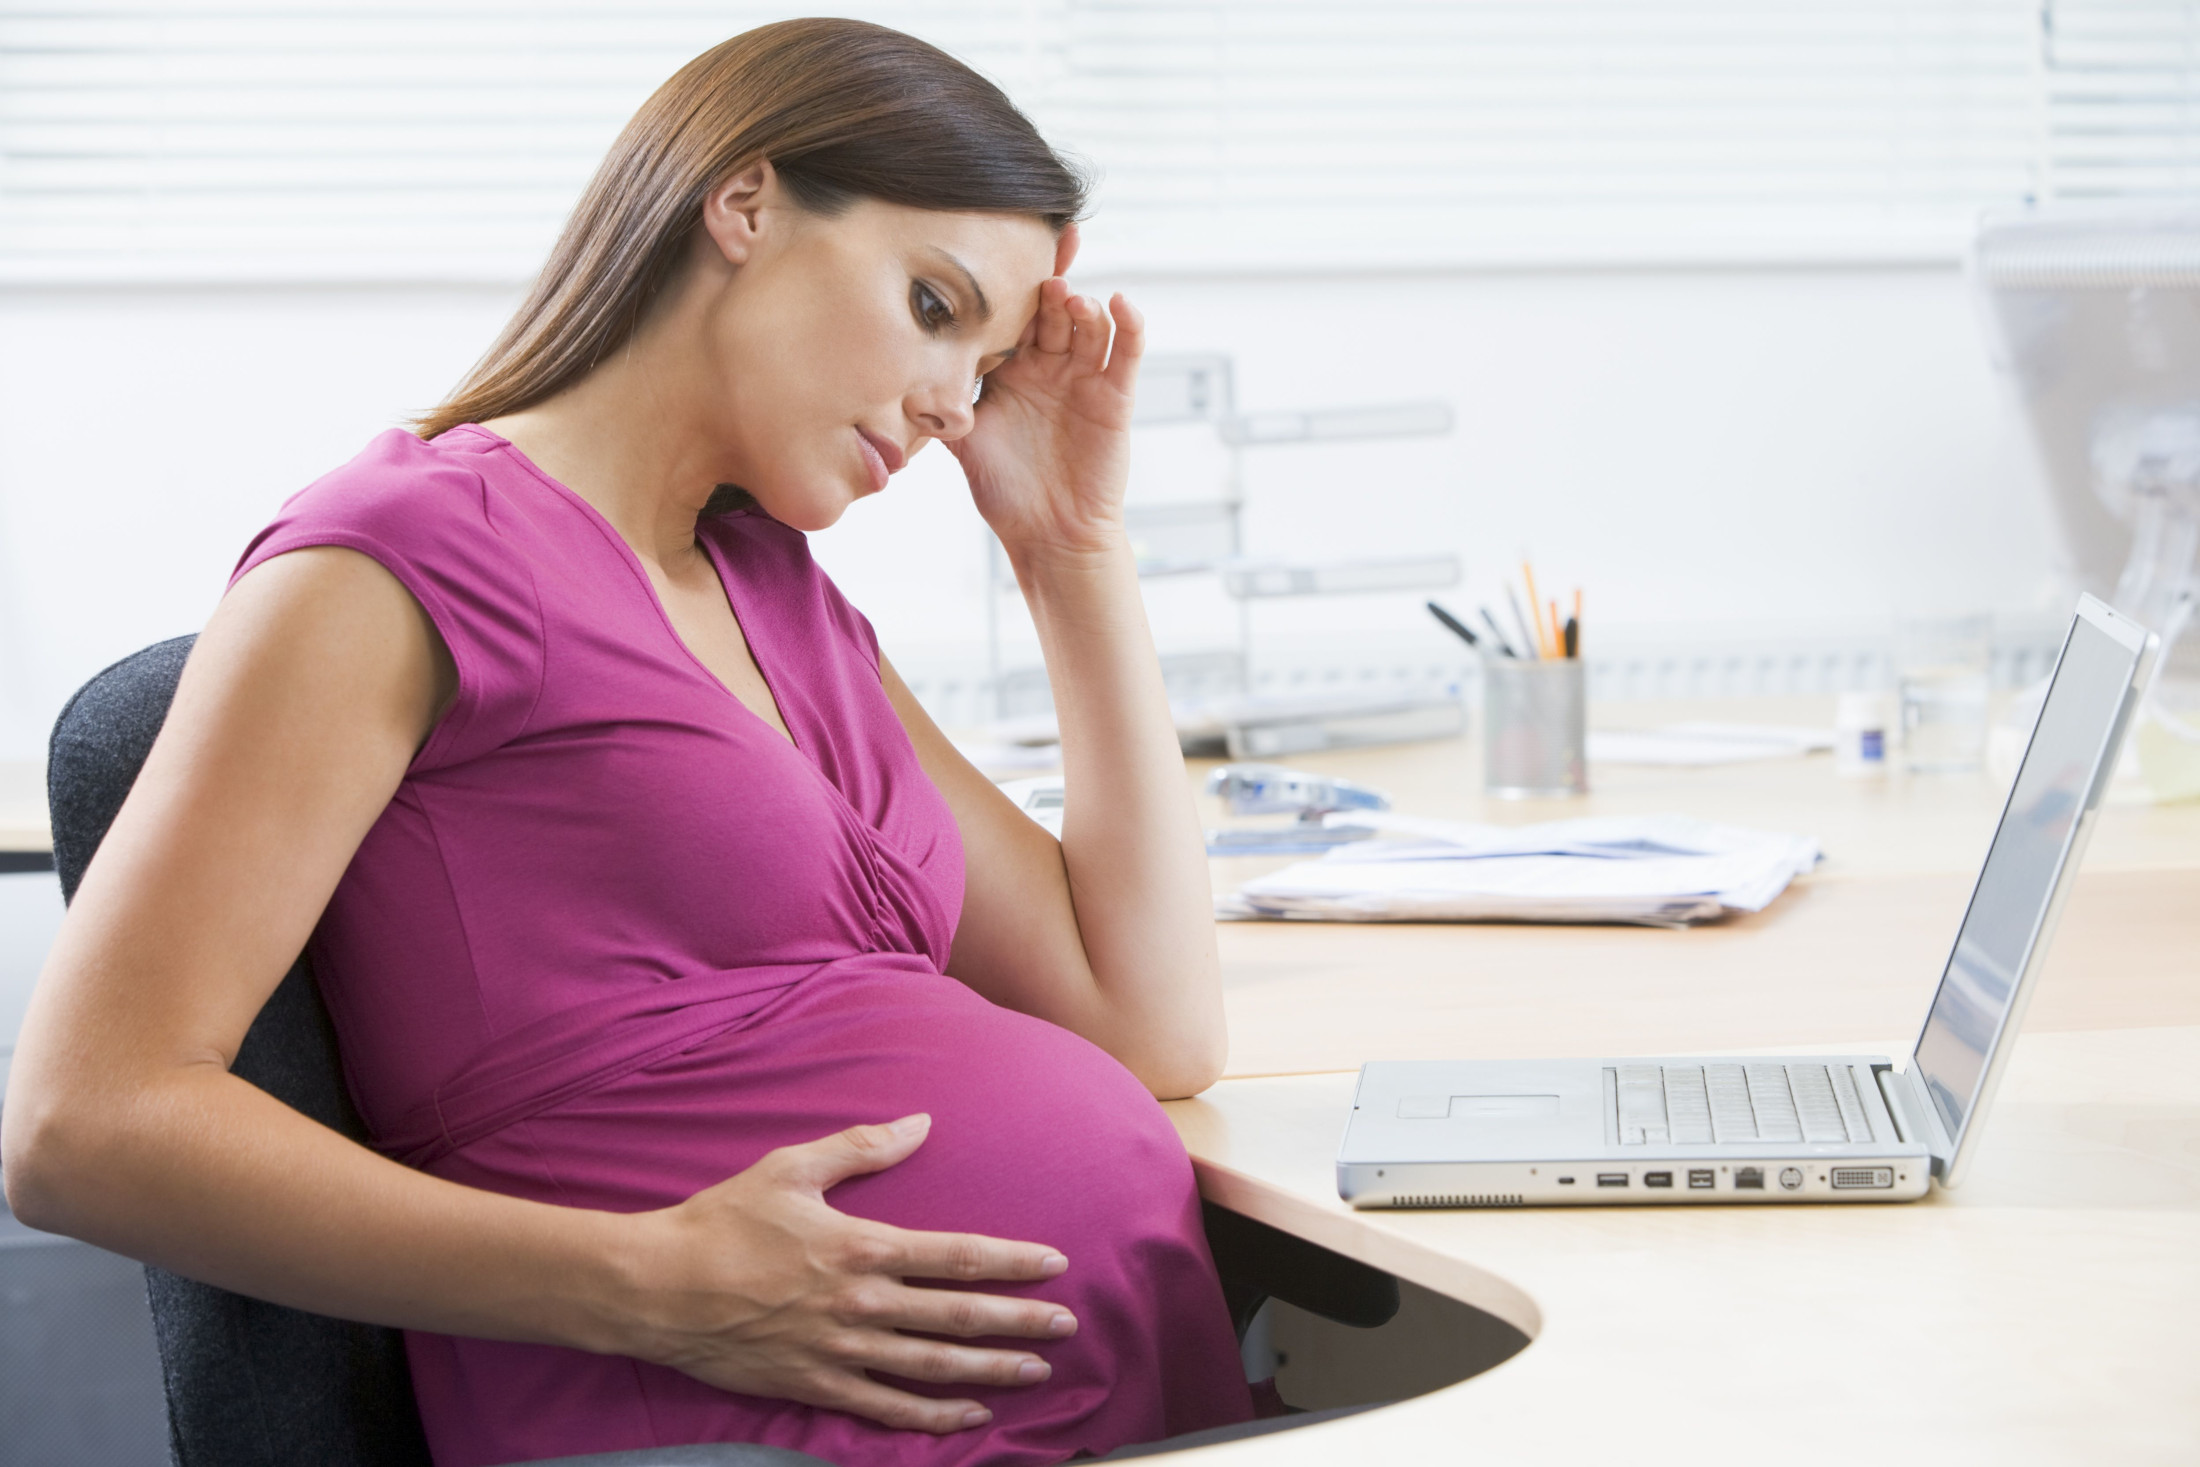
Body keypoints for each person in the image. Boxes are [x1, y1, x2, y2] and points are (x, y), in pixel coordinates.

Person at [2, 19, 1258, 1467]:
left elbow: (1150, 1023)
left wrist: (1069, 548)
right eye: (931, 306)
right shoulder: (400, 556)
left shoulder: (781, 598)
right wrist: (657, 1286)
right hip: (704, 1415)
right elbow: (82, 1123)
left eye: (980, 366)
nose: (950, 403)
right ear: (744, 204)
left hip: (1053, 1407)